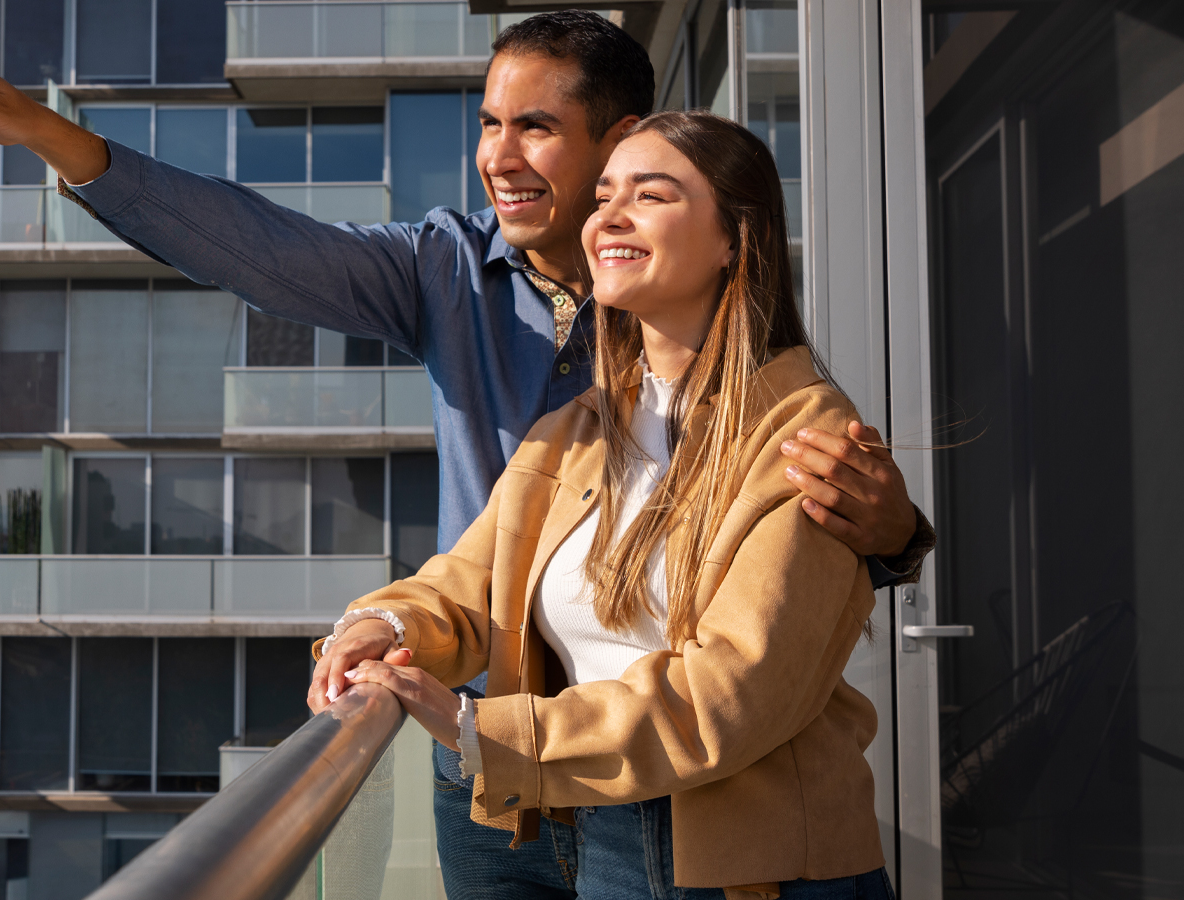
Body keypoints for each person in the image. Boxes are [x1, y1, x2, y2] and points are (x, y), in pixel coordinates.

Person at [0, 13, 930, 897]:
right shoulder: (468, 293)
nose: (497, 157)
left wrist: (896, 536)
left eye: (537, 129)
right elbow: (259, 250)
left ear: (626, 145)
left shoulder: (756, 390)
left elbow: (766, 600)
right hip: (488, 768)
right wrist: (54, 139)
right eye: (488, 125)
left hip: (685, 798)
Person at [320, 110, 893, 899]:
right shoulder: (578, 429)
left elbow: (731, 694)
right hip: (598, 826)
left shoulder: (805, 432)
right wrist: (381, 626)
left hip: (752, 861)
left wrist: (481, 728)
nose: (608, 218)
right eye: (603, 197)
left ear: (736, 240)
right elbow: (471, 582)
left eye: (651, 195)